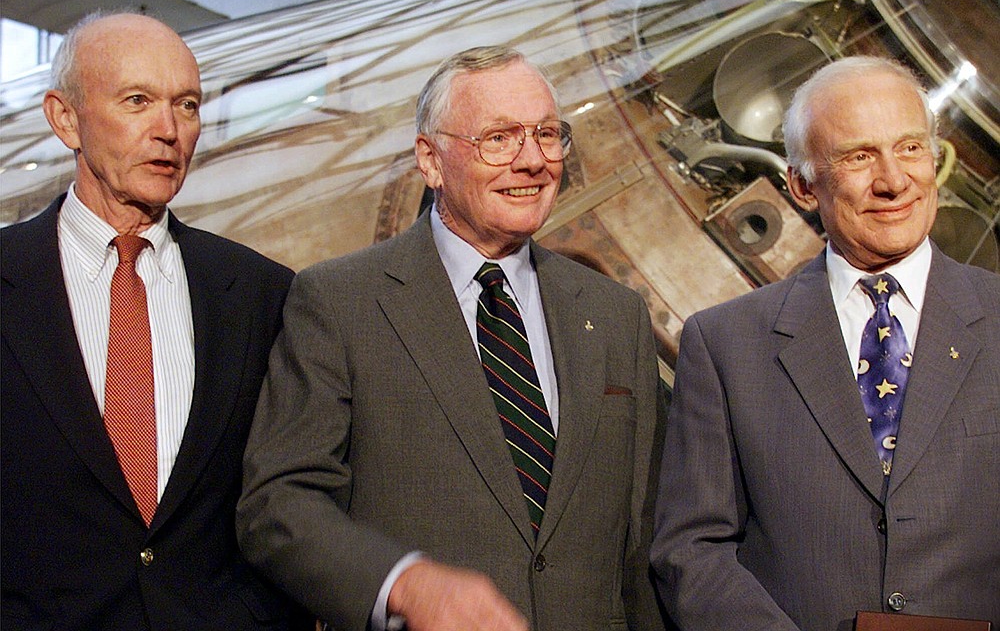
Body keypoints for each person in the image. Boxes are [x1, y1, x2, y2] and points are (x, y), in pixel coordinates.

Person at [237, 46, 668, 631]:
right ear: (431, 160)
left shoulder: (616, 315)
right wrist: (402, 583)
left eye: (546, 134)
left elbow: (641, 541)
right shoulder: (342, 302)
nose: (532, 161)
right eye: (499, 138)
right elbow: (279, 503)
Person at [650, 55, 1000, 629]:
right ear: (803, 184)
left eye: (910, 148)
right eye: (859, 156)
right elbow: (692, 549)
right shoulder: (725, 345)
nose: (893, 180)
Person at [0, 12, 308, 630]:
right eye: (137, 100)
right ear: (65, 118)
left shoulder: (263, 294)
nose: (169, 130)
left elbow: (289, 498)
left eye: (187, 105)